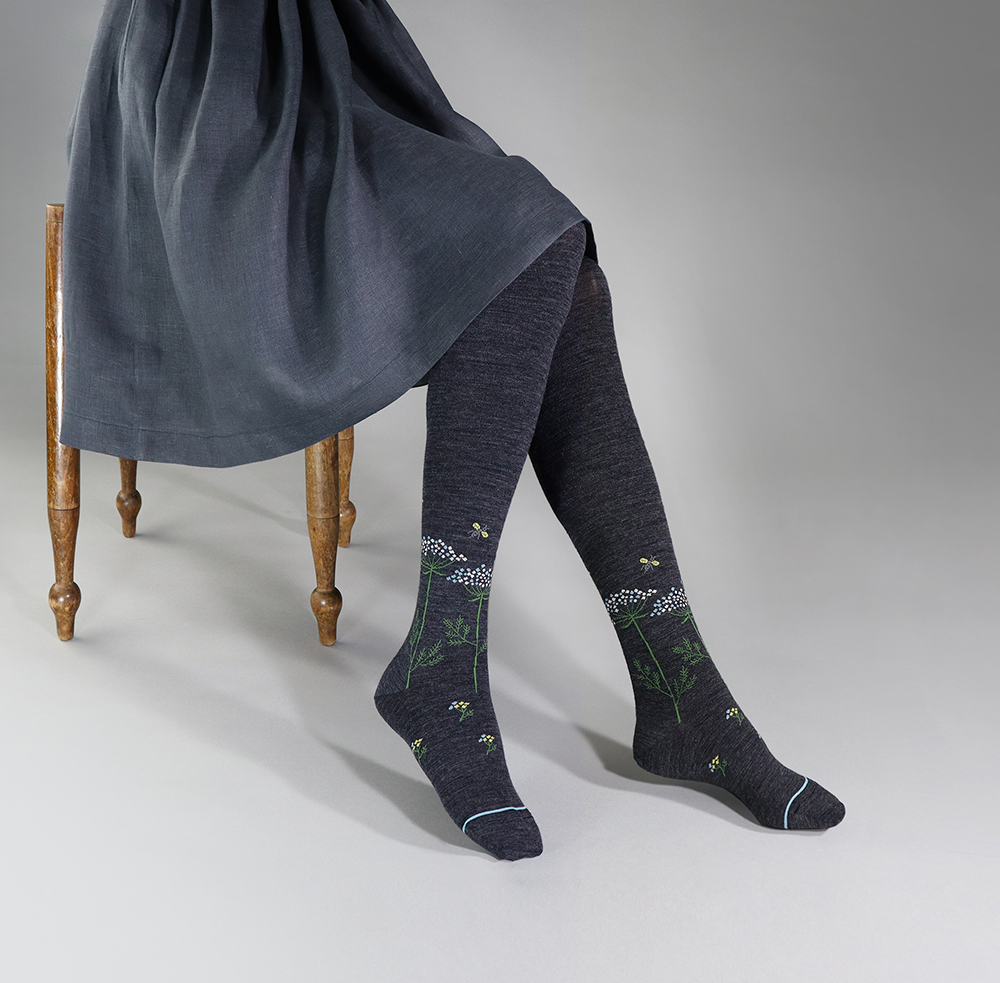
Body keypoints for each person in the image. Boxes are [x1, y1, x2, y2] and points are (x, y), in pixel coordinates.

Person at [64, 0, 844, 861]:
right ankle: (593, 677)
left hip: (331, 63)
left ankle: (648, 683)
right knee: (528, 240)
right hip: (213, 86)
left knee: (549, 254)